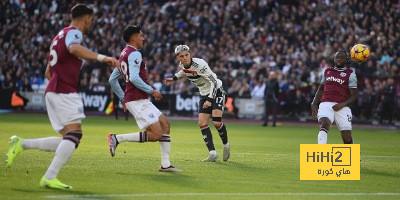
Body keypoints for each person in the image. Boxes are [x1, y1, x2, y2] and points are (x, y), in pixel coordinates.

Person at [6, 4, 119, 189]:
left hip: (54, 88)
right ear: (85, 18)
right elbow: (74, 49)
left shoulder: (59, 35)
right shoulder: (75, 33)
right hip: (64, 89)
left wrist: (58, 83)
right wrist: (102, 58)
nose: (90, 23)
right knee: (75, 135)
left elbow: (47, 71)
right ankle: (49, 177)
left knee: (69, 138)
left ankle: (22, 144)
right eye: (90, 20)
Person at [107, 25, 182, 172]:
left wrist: (123, 98)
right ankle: (117, 138)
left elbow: (112, 80)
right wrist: (151, 90)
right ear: (134, 37)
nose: (143, 38)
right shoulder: (134, 54)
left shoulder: (123, 54)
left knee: (165, 124)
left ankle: (165, 164)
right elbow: (134, 77)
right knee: (156, 134)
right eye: (141, 35)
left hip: (138, 99)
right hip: (137, 100)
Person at [164, 45, 230, 162]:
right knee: (202, 123)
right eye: (181, 56)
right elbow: (184, 71)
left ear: (190, 54)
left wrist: (210, 99)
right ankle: (212, 153)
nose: (185, 58)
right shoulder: (182, 65)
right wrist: (174, 78)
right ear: (178, 58)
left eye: (186, 55)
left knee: (216, 122)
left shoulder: (200, 64)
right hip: (204, 93)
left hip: (217, 90)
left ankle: (226, 145)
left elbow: (213, 82)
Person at [311, 50, 357, 144]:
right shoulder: (328, 71)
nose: (339, 59)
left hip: (342, 106)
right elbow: (320, 89)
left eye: (341, 57)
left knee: (347, 138)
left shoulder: (351, 74)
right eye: (337, 57)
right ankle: (321, 151)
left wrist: (341, 105)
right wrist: (314, 103)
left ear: (346, 60)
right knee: (324, 123)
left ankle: (353, 155)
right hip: (326, 104)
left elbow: (353, 97)